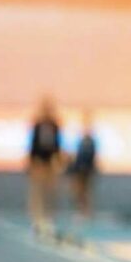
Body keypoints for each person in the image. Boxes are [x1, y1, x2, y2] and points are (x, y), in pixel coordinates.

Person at [27, 95, 63, 233]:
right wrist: (31, 162)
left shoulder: (55, 125)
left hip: (50, 163)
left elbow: (57, 144)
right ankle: (37, 219)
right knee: (37, 192)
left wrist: (58, 160)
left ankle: (49, 219)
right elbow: (32, 144)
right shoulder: (37, 124)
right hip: (38, 163)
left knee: (50, 192)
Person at [67, 109, 97, 220]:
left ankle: (86, 212)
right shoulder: (77, 139)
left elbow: (92, 155)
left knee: (86, 192)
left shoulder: (91, 140)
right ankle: (80, 210)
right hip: (78, 170)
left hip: (87, 170)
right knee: (77, 192)